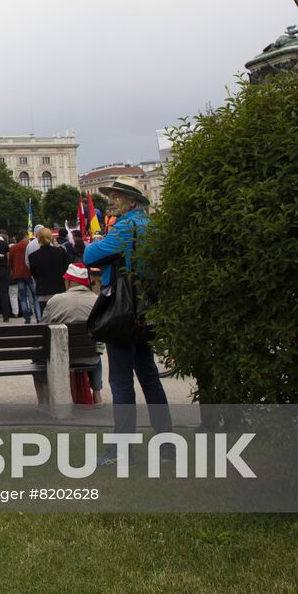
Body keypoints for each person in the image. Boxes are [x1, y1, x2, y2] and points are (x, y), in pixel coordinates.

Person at [82, 176, 170, 465]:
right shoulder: (149, 225)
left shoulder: (124, 227)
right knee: (149, 375)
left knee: (120, 381)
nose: (114, 200)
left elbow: (90, 254)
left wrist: (99, 242)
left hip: (123, 308)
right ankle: (166, 446)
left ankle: (123, 451)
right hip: (144, 307)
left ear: (132, 201)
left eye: (119, 196)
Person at [42, 262, 105, 406]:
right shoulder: (97, 301)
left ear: (70, 281)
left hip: (62, 357)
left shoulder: (55, 300)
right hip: (90, 357)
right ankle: (97, 394)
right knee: (96, 352)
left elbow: (43, 326)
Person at [27, 225, 70, 320]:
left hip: (43, 292)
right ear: (51, 238)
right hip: (59, 291)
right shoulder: (60, 252)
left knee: (46, 320)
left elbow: (34, 274)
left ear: (38, 238)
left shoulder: (33, 256)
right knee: (60, 319)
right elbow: (68, 267)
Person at [9, 227, 36, 324]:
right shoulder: (29, 246)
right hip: (29, 273)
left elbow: (10, 263)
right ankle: (38, 316)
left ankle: (27, 318)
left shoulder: (13, 248)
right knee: (34, 295)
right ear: (26, 236)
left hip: (18, 274)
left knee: (23, 296)